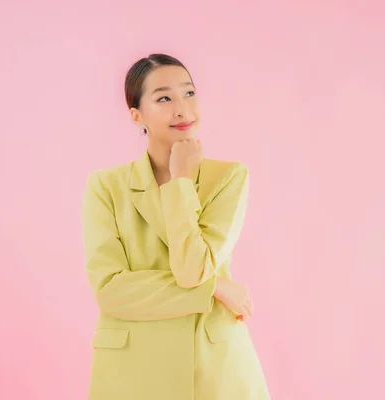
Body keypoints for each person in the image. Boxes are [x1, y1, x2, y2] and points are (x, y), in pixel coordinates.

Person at [81, 53, 270, 400]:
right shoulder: (106, 186)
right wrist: (213, 289)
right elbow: (110, 291)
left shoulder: (227, 177)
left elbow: (191, 269)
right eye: (164, 98)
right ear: (136, 115)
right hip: (132, 371)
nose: (182, 109)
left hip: (213, 369)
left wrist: (181, 180)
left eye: (189, 93)